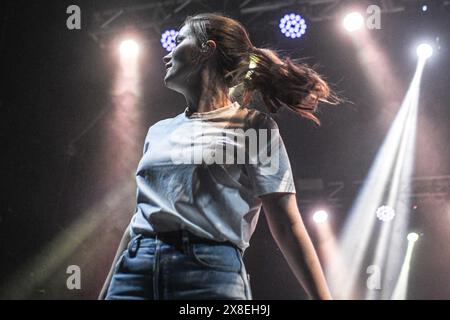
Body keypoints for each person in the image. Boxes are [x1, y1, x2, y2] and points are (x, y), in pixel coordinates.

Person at [99, 13, 336, 300]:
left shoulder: (256, 126)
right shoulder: (157, 131)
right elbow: (140, 217)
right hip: (135, 269)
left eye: (178, 41)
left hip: (210, 273)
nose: (167, 54)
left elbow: (287, 223)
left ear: (206, 49)